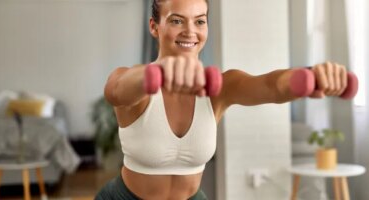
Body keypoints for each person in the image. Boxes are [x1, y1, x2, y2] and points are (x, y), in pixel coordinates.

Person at [95, 0, 349, 199]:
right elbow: (116, 90)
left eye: (200, 21)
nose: (190, 31)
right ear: (154, 26)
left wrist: (310, 76)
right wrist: (157, 74)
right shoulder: (133, 80)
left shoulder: (220, 88)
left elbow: (271, 86)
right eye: (176, 21)